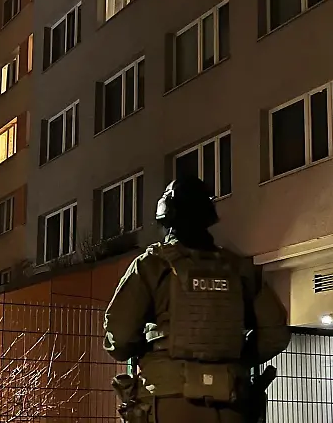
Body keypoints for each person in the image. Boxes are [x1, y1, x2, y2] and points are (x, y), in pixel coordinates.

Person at [103, 175, 291, 423]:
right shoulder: (239, 268)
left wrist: (149, 349)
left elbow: (121, 337)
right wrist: (236, 358)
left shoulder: (151, 265)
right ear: (207, 217)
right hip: (233, 404)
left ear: (166, 219)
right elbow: (275, 333)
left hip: (169, 401)